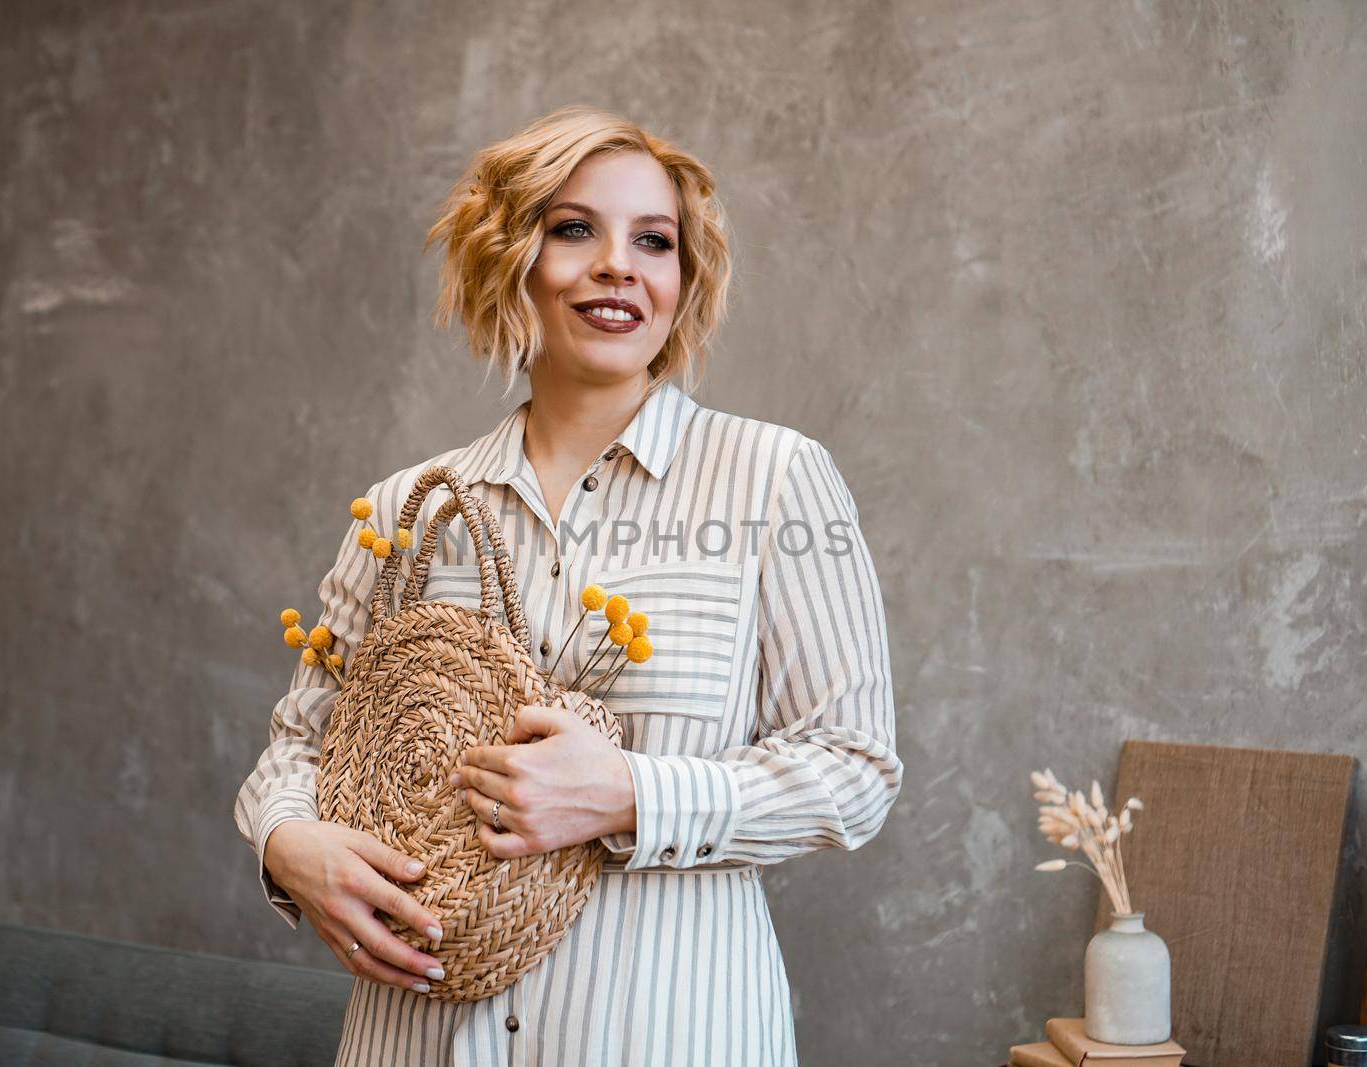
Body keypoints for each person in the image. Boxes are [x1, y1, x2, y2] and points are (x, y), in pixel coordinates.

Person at [233, 103, 905, 1066]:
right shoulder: (403, 515)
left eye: (654, 241)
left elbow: (855, 770)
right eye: (575, 228)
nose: (618, 266)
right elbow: (298, 744)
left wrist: (632, 793)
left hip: (668, 1032)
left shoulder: (775, 480)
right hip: (414, 1036)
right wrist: (289, 847)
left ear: (683, 278)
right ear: (513, 255)